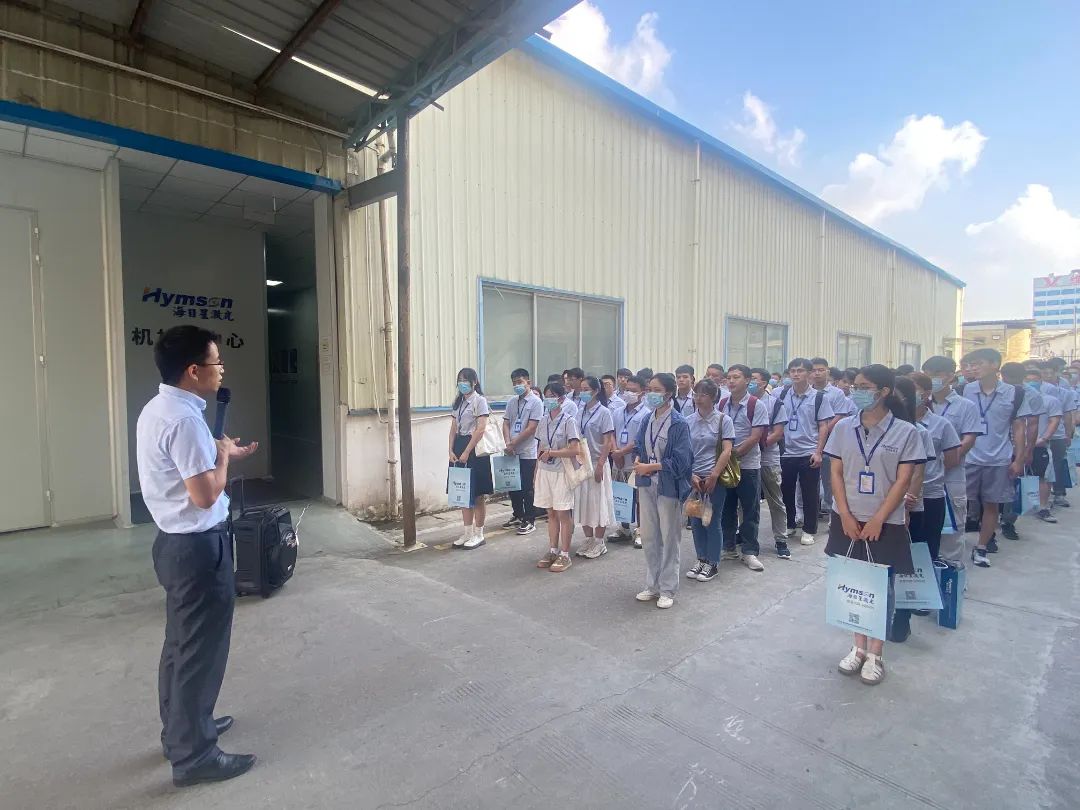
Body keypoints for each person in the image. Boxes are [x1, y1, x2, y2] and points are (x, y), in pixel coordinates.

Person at [136, 325, 258, 787]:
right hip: (197, 549)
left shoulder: (160, 408)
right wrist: (223, 457)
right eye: (215, 362)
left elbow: (189, 471)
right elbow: (205, 496)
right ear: (192, 370)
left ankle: (182, 731)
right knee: (199, 653)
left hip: (174, 544)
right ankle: (194, 756)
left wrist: (222, 453)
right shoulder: (184, 420)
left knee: (180, 646)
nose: (221, 369)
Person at [824, 364, 926, 685]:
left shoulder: (906, 432)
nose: (856, 392)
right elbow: (836, 472)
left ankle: (876, 654)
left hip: (885, 521)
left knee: (882, 587)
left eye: (864, 387)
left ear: (883, 392)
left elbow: (903, 480)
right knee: (854, 582)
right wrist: (845, 514)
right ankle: (858, 648)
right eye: (855, 386)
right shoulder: (843, 427)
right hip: (848, 518)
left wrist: (879, 518)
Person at [961, 348, 1031, 568]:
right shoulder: (964, 390)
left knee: (992, 504)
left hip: (998, 459)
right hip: (967, 457)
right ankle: (954, 545)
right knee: (960, 503)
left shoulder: (1014, 393)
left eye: (978, 363)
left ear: (994, 365)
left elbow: (1019, 428)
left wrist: (1018, 459)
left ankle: (982, 547)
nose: (973, 368)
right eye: (970, 364)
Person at [633, 373, 693, 609]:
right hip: (647, 484)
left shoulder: (679, 423)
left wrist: (652, 467)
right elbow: (640, 444)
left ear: (668, 393)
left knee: (669, 538)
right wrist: (639, 461)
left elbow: (682, 461)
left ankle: (667, 589)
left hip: (668, 486)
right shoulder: (647, 419)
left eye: (656, 390)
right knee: (649, 536)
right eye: (649, 389)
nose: (651, 394)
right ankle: (652, 584)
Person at [922, 355, 982, 561]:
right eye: (927, 374)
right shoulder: (921, 404)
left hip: (951, 477)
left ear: (950, 376)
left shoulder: (966, 406)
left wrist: (945, 462)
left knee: (951, 534)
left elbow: (969, 438)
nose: (931, 379)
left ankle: (952, 573)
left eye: (936, 374)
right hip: (921, 479)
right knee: (923, 531)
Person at [778, 358, 836, 545]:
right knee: (786, 491)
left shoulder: (819, 397)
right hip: (786, 452)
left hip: (808, 452)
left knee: (810, 493)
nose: (796, 374)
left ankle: (809, 529)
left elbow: (823, 426)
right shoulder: (782, 394)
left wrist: (819, 452)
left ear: (809, 374)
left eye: (800, 370)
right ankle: (790, 523)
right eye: (793, 371)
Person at [719, 364, 771, 571]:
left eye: (736, 377)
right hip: (725, 465)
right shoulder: (722, 403)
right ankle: (728, 547)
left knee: (750, 509)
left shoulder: (756, 405)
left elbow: (755, 436)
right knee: (727, 507)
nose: (731, 381)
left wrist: (732, 455)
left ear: (748, 380)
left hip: (747, 466)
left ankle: (749, 551)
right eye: (729, 377)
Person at [908, 373, 962, 561]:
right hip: (900, 494)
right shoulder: (895, 424)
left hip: (930, 493)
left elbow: (952, 459)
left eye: (913, 389)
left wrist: (930, 474)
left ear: (926, 393)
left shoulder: (941, 424)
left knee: (926, 547)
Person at [684, 379, 734, 582]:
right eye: (696, 394)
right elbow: (684, 451)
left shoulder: (723, 420)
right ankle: (701, 558)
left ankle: (713, 562)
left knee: (712, 520)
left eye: (703, 394)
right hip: (693, 478)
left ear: (713, 397)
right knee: (696, 520)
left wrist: (714, 475)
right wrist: (690, 474)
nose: (698, 398)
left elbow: (727, 450)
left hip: (714, 478)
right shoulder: (688, 421)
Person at [534, 382, 582, 573]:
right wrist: (536, 472)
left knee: (563, 513)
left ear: (562, 399)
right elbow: (539, 448)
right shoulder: (543, 420)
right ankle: (553, 550)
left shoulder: (569, 421)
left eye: (552, 396)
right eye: (546, 396)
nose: (548, 399)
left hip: (562, 472)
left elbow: (575, 450)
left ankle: (565, 553)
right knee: (551, 513)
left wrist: (552, 453)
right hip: (545, 471)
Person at [448, 368, 493, 549]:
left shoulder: (479, 401)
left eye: (466, 380)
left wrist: (467, 451)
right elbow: (453, 428)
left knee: (477, 494)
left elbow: (480, 429)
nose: (462, 383)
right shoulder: (458, 402)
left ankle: (479, 534)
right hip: (459, 446)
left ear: (474, 382)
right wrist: (450, 450)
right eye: (460, 380)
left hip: (475, 448)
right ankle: (467, 532)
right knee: (462, 491)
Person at [574, 377, 617, 560]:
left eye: (586, 389)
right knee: (583, 502)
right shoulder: (580, 411)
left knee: (598, 503)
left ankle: (599, 542)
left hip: (597, 462)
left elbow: (607, 442)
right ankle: (589, 539)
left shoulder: (604, 413)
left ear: (595, 391)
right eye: (581, 389)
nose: (582, 392)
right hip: (582, 463)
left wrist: (600, 464)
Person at [752, 368, 793, 557]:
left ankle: (781, 539)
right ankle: (746, 536)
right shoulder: (740, 403)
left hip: (768, 458)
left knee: (775, 500)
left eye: (754, 379)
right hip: (746, 460)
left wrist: (755, 445)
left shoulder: (775, 403)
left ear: (764, 383)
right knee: (746, 502)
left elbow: (777, 433)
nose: (750, 383)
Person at [611, 375, 651, 548]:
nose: (629, 393)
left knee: (639, 498)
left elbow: (640, 439)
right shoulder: (618, 411)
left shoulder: (646, 414)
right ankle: (624, 528)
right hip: (618, 461)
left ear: (642, 392)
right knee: (621, 495)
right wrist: (615, 452)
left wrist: (622, 452)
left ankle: (641, 530)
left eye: (633, 391)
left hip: (635, 461)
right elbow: (611, 433)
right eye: (627, 390)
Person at [502, 368, 543, 535]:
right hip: (511, 451)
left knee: (527, 487)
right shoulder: (512, 402)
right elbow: (506, 423)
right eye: (514, 383)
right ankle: (517, 514)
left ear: (528, 382)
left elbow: (532, 428)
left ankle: (529, 519)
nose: (517, 385)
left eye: (520, 382)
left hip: (527, 451)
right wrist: (508, 443)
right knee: (513, 486)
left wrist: (513, 443)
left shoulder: (536, 402)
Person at [811, 357, 848, 521]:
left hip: (831, 442)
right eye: (814, 370)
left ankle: (832, 512)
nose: (817, 373)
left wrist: (823, 430)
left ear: (828, 371)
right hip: (810, 440)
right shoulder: (807, 392)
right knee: (806, 479)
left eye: (821, 370)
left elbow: (839, 415)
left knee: (829, 478)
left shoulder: (837, 393)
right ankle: (805, 512)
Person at [1039, 360, 1074, 508]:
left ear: (1056, 374)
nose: (1048, 376)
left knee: (1058, 465)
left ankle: (1059, 494)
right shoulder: (1035, 391)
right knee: (1042, 468)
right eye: (1044, 373)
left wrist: (1068, 433)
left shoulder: (1065, 393)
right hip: (1040, 435)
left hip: (1058, 435)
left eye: (1050, 373)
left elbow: (1067, 415)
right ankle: (1039, 498)